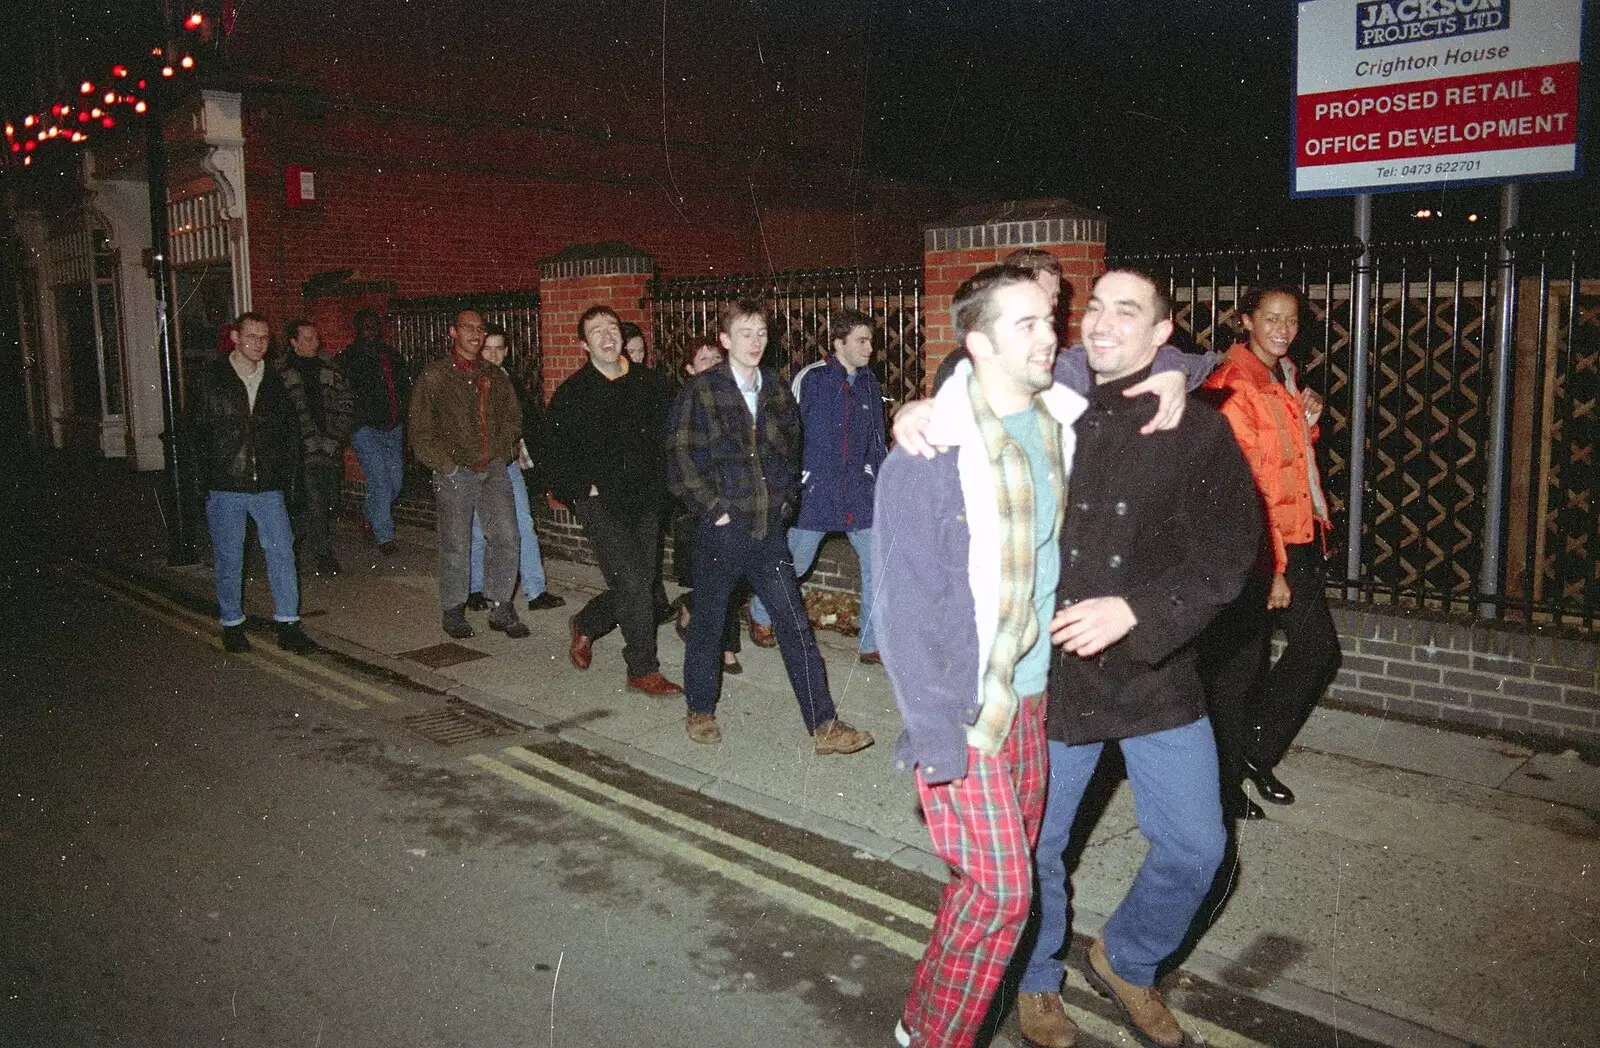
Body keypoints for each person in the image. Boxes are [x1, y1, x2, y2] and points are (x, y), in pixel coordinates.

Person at [1012, 270, 1260, 1048]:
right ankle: (1037, 974)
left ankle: (1127, 956)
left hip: (1154, 671)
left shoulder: (1198, 431)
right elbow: (963, 403)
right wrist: (919, 412)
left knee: (1198, 845)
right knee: (1039, 847)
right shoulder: (1045, 407)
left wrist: (1137, 611)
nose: (1104, 320)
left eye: (1130, 309)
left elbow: (1229, 555)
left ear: (1163, 335)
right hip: (1054, 673)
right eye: (1096, 306)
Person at [873, 266, 1081, 1048]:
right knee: (1000, 893)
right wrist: (934, 734)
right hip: (967, 708)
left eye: (1049, 319)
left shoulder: (1062, 421)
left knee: (992, 888)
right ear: (978, 341)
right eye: (1026, 323)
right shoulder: (928, 457)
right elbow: (905, 613)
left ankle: (923, 1020)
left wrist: (1171, 388)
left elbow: (1162, 358)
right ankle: (932, 1036)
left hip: (1035, 698)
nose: (1049, 335)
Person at [666, 297, 873, 754]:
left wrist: (785, 504)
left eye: (761, 333)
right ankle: (700, 709)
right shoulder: (701, 392)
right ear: (724, 340)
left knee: (795, 625)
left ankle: (824, 725)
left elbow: (790, 453)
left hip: (767, 532)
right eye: (745, 333)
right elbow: (681, 462)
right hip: (721, 531)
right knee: (710, 623)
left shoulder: (776, 389)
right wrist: (713, 510)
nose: (755, 342)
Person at [1200, 285, 1341, 817]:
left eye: (1291, 320)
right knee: (1241, 667)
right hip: (1257, 547)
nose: (1283, 328)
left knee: (1318, 651)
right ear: (1246, 322)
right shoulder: (1236, 383)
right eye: (1272, 318)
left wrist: (1309, 418)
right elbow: (1248, 485)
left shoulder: (1280, 376)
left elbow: (1286, 460)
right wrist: (1275, 567)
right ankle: (1221, 780)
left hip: (1295, 536)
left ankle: (1253, 754)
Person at [548, 306, 681, 696]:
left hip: (645, 499)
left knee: (639, 583)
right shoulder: (573, 394)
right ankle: (642, 669)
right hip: (600, 504)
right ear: (583, 344)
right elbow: (553, 452)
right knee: (637, 585)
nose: (607, 336)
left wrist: (666, 488)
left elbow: (671, 439)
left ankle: (588, 624)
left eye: (612, 328)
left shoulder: (650, 384)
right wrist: (580, 489)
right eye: (595, 330)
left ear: (621, 337)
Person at [746, 308, 888, 663]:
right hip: (816, 491)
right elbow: (784, 433)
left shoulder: (870, 382)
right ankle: (760, 613)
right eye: (862, 341)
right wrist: (795, 479)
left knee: (878, 563)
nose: (870, 348)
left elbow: (877, 438)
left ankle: (872, 643)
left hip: (858, 490)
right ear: (839, 343)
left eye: (871, 340)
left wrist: (879, 477)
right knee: (798, 561)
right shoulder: (812, 379)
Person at [188, 311, 316, 655]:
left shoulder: (275, 381)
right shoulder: (211, 378)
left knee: (282, 554)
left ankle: (289, 625)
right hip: (226, 483)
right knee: (230, 557)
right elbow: (197, 434)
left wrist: (290, 484)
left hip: (268, 485)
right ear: (235, 338)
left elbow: (290, 437)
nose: (259, 344)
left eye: (264, 338)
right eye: (252, 337)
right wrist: (202, 484)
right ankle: (232, 624)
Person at [407, 309, 529, 641]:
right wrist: (445, 465)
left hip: (492, 468)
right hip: (454, 472)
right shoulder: (435, 377)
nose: (475, 334)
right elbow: (420, 431)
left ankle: (501, 604)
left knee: (507, 537)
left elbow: (513, 419)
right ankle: (453, 609)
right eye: (467, 328)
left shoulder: (495, 375)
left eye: (480, 329)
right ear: (452, 332)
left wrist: (500, 454)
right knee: (456, 543)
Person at [466, 327, 565, 613]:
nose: (493, 354)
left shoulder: (512, 382)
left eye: (499, 348)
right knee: (477, 529)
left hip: (508, 465)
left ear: (507, 351)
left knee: (524, 525)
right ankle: (474, 589)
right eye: (487, 348)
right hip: (478, 466)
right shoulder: (469, 383)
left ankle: (536, 592)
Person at [669, 335, 745, 674]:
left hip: (736, 501)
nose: (714, 366)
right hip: (702, 505)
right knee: (720, 578)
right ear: (689, 369)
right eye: (704, 360)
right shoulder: (688, 402)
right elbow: (682, 460)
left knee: (730, 579)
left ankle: (690, 607)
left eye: (718, 359)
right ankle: (726, 649)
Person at [279, 319, 353, 577]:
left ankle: (298, 539)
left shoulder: (329, 369)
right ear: (294, 342)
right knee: (315, 502)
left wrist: (336, 437)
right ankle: (323, 555)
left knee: (329, 499)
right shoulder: (282, 373)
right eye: (307, 338)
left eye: (315, 337)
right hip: (301, 451)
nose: (314, 343)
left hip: (329, 446)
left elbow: (346, 404)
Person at [337, 310, 409, 556]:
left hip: (393, 426)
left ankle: (369, 513)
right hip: (365, 429)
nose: (370, 330)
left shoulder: (391, 355)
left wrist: (402, 418)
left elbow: (403, 389)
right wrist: (351, 424)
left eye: (373, 325)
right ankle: (384, 536)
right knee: (379, 480)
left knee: (395, 482)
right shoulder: (347, 358)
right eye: (365, 326)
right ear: (357, 329)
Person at [620, 319, 676, 624]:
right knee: (634, 551)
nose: (638, 357)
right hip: (627, 478)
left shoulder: (653, 381)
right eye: (632, 352)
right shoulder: (616, 386)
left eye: (641, 351)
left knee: (649, 545)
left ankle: (655, 602)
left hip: (652, 475)